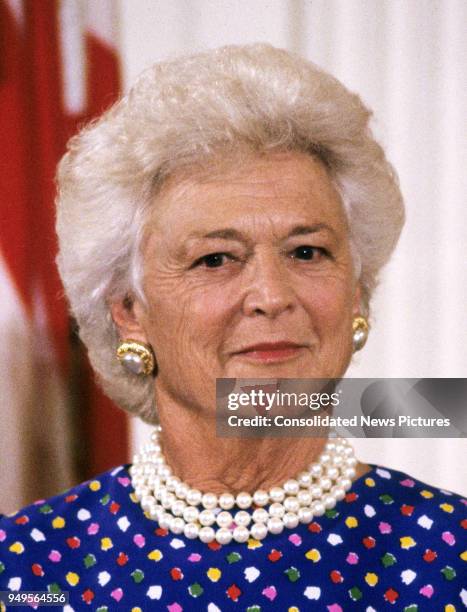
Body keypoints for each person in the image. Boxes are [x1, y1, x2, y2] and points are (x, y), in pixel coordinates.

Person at [1, 44, 465, 612]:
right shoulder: (30, 575)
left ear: (356, 294)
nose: (272, 297)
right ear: (129, 311)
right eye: (215, 260)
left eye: (307, 251)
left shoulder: (450, 558)